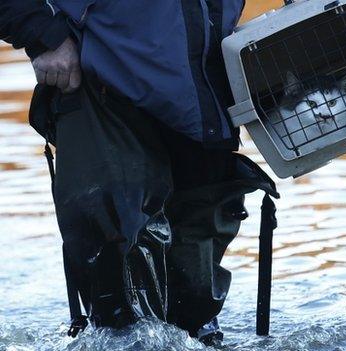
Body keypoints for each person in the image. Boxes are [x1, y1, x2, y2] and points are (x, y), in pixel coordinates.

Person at [0, 0, 279, 346]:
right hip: (102, 88)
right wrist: (43, 34)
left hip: (205, 95)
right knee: (121, 309)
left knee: (193, 306)